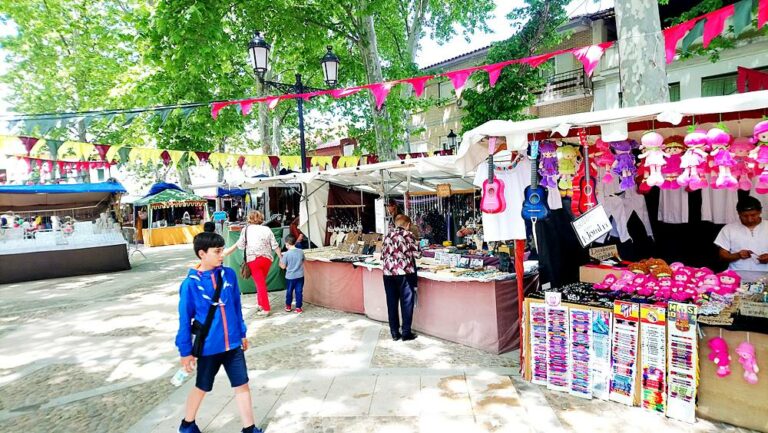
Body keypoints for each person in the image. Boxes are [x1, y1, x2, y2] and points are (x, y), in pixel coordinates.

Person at [175, 232, 261, 433]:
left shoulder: (228, 275)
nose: (222, 255)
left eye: (222, 250)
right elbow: (184, 320)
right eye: (217, 251)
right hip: (209, 347)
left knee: (242, 384)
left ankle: (249, 428)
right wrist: (185, 352)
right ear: (202, 254)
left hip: (233, 345)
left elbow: (236, 306)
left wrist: (242, 332)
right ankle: (187, 424)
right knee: (202, 386)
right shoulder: (190, 284)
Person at [225, 211, 282, 316]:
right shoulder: (267, 229)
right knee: (260, 283)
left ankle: (266, 308)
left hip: (253, 259)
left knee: (260, 284)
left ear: (249, 218)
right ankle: (260, 304)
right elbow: (275, 245)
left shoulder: (246, 229)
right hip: (267, 259)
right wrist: (281, 258)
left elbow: (241, 245)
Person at [381, 214, 422, 341]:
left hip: (388, 274)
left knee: (391, 303)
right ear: (408, 225)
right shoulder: (407, 235)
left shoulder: (387, 235)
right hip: (404, 273)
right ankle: (406, 333)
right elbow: (418, 254)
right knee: (406, 303)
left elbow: (382, 255)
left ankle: (394, 333)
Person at [714, 196, 768, 278]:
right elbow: (722, 255)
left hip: (765, 275)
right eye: (745, 216)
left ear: (760, 211)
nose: (749, 219)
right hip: (736, 276)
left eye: (753, 215)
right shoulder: (729, 229)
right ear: (738, 213)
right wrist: (738, 255)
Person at [280, 234, 305, 314]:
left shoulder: (286, 254)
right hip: (300, 276)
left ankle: (288, 306)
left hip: (290, 277)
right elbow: (303, 260)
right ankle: (298, 308)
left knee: (289, 291)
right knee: (299, 292)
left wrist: (280, 262)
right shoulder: (301, 251)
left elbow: (283, 266)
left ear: (287, 244)